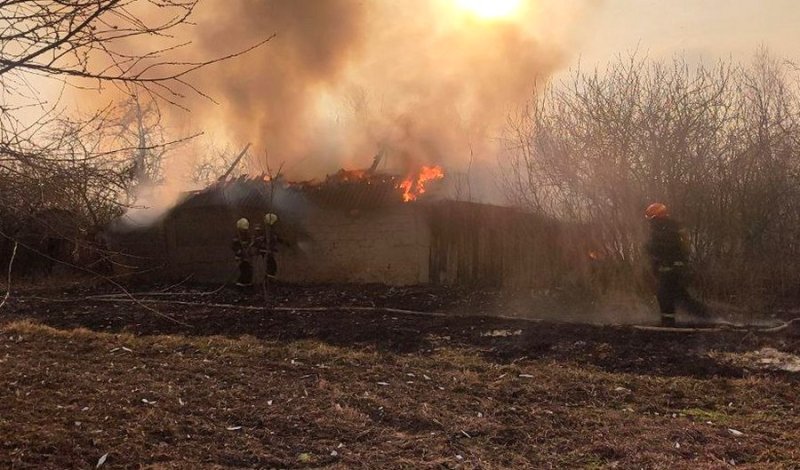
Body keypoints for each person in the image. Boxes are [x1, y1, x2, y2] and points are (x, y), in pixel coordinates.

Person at [644, 203, 709, 326]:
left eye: (651, 218)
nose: (650, 222)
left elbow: (664, 248)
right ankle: (707, 318)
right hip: (673, 267)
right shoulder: (669, 227)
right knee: (681, 296)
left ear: (656, 217)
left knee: (664, 295)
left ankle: (668, 322)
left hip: (671, 267)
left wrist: (651, 249)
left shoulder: (665, 229)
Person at [231, 217, 253, 289]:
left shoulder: (247, 236)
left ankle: (247, 284)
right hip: (241, 258)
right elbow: (234, 246)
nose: (245, 231)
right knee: (245, 270)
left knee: (249, 270)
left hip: (247, 257)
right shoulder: (237, 237)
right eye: (243, 230)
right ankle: (240, 285)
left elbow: (250, 244)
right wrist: (240, 252)